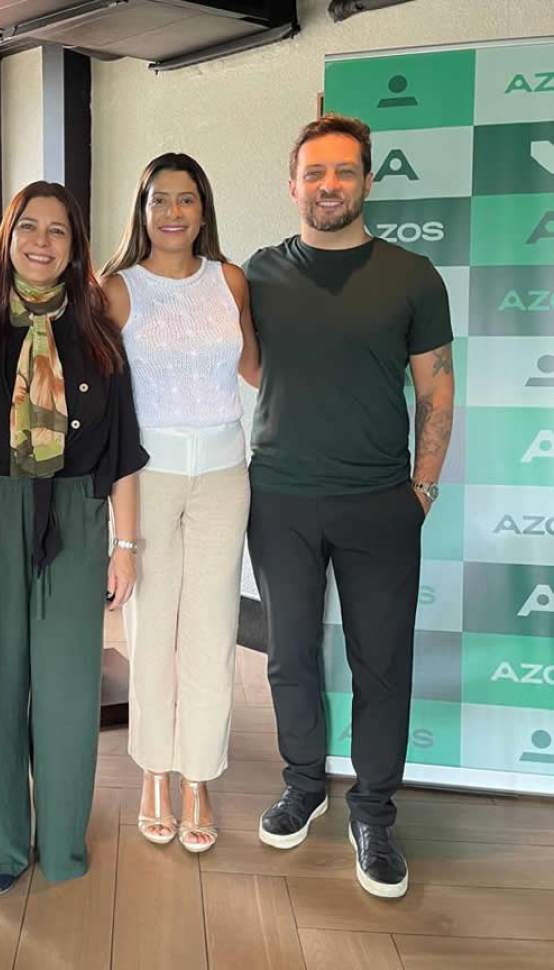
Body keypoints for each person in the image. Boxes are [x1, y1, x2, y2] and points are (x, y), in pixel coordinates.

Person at [246, 114, 454, 899]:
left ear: (367, 180)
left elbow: (436, 389)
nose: (328, 185)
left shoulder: (412, 276)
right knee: (289, 657)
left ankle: (373, 812)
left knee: (382, 664)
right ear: (292, 184)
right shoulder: (259, 273)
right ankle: (303, 784)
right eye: (314, 172)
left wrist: (422, 488)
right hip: (281, 498)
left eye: (343, 171)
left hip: (380, 503)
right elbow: (255, 367)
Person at [0, 181, 147, 893]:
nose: (42, 242)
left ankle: (60, 842)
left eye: (58, 231)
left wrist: (126, 547)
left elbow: (122, 451)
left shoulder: (97, 337)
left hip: (76, 513)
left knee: (66, 689)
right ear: (7, 238)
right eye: (29, 226)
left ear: (75, 248)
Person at [101, 153, 259, 854]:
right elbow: (105, 402)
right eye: (159, 200)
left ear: (203, 209)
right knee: (152, 626)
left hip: (225, 473)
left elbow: (255, 367)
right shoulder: (117, 289)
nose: (172, 212)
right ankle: (155, 773)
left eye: (186, 199)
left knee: (211, 627)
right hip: (150, 475)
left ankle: (199, 776)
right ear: (142, 211)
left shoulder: (230, 280)